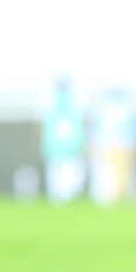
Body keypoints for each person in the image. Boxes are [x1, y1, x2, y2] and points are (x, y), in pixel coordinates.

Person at [88, 86, 136, 205]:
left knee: (124, 176)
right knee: (110, 176)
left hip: (123, 146)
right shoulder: (107, 109)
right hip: (111, 147)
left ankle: (122, 199)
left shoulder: (124, 109)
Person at [42, 76, 87, 204]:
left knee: (66, 176)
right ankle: (62, 199)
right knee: (62, 175)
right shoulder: (51, 101)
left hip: (67, 146)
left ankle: (64, 199)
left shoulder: (72, 101)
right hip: (59, 146)